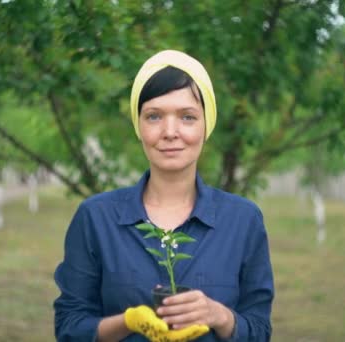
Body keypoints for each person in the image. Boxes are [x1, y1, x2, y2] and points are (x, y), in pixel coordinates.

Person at [54, 50, 274, 341]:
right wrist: (128, 321)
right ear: (139, 126)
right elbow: (69, 328)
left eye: (187, 117)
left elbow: (259, 331)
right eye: (154, 116)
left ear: (206, 125)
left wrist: (219, 316)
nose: (170, 132)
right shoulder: (95, 218)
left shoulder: (243, 220)